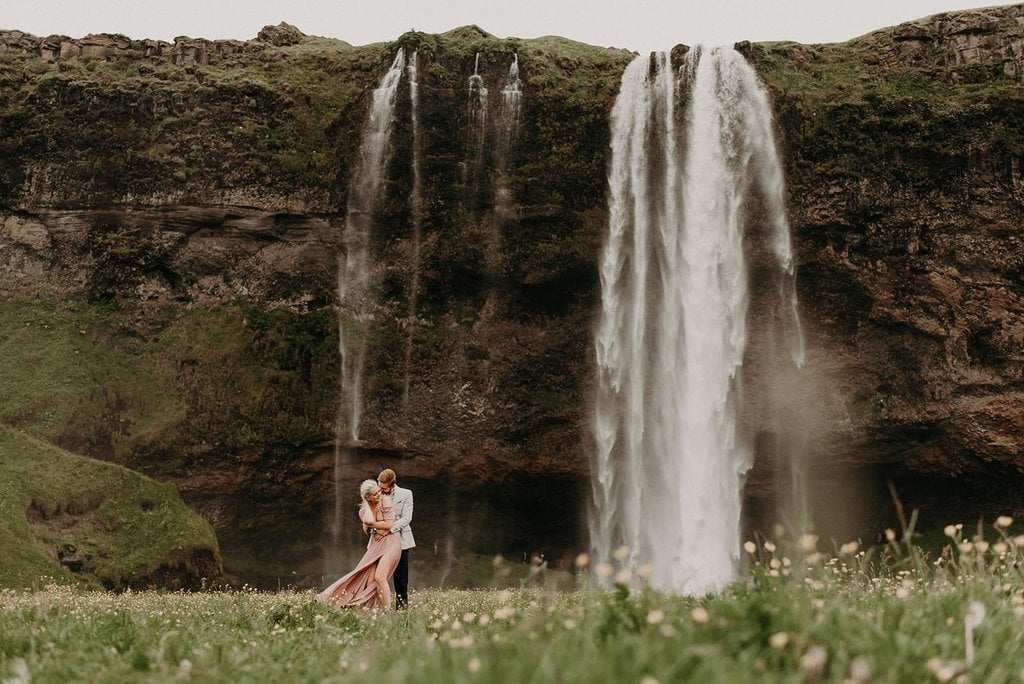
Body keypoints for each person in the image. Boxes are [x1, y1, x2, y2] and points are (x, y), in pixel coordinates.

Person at [317, 479, 401, 609]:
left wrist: (371, 525)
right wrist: (368, 510)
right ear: (367, 497)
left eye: (379, 491)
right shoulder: (363, 511)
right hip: (376, 545)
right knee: (368, 578)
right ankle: (369, 608)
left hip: (391, 542)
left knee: (380, 577)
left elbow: (389, 525)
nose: (379, 495)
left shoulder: (385, 501)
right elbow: (368, 521)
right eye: (375, 494)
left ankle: (387, 611)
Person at [377, 468, 414, 609]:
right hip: (380, 540)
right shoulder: (376, 494)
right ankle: (376, 609)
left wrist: (389, 529)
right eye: (379, 486)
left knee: (401, 578)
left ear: (392, 484)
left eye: (383, 487)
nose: (380, 490)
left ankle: (402, 610)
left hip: (401, 541)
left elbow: (407, 518)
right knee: (376, 576)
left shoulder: (406, 494)